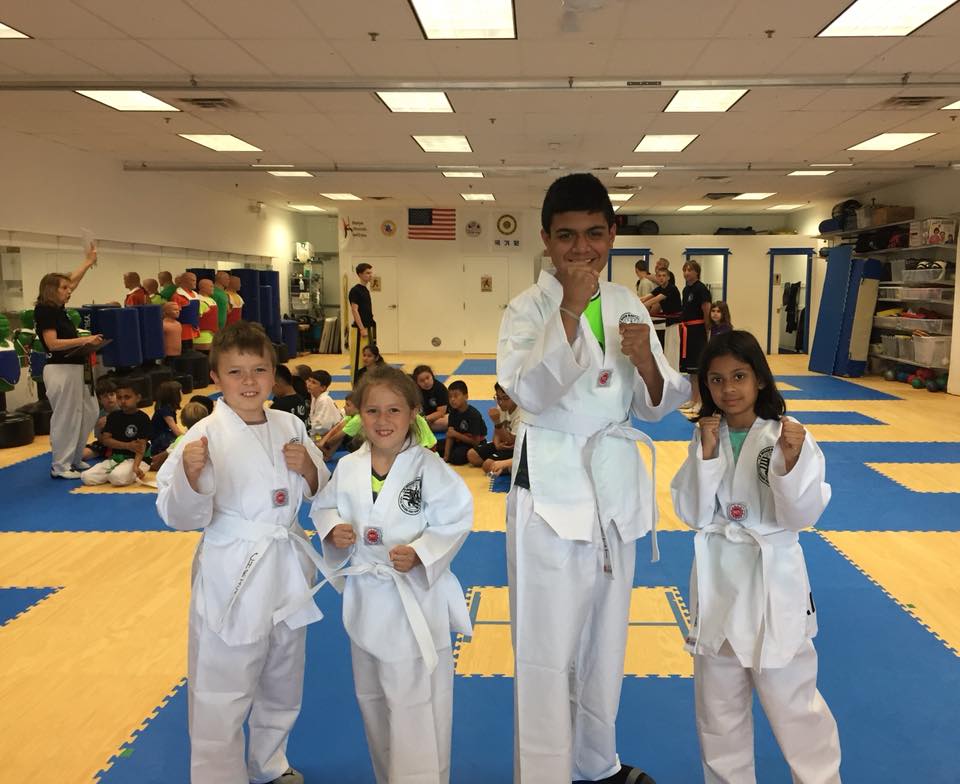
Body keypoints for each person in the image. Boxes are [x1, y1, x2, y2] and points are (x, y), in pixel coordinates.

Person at [497, 172, 689, 784]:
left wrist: (645, 364)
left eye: (594, 234)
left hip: (613, 490)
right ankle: (546, 773)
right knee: (547, 649)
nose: (582, 249)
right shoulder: (526, 309)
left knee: (606, 642)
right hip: (550, 487)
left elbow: (659, 402)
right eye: (567, 236)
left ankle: (597, 761)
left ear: (613, 234)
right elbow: (524, 389)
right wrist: (572, 311)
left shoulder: (632, 305)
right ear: (547, 241)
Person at [156, 321, 330, 784]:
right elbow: (177, 514)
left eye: (259, 370)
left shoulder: (290, 424)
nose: (249, 382)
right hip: (232, 568)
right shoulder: (203, 436)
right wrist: (189, 479)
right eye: (236, 372)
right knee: (222, 684)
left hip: (287, 567)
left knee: (283, 676)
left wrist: (310, 470)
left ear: (275, 375)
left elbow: (319, 492)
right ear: (215, 378)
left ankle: (270, 764)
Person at [669, 330, 842, 784]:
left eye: (740, 376)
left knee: (796, 708)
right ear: (705, 387)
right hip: (719, 584)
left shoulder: (787, 435)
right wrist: (706, 456)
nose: (729, 389)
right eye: (717, 379)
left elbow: (802, 514)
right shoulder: (708, 436)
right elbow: (691, 512)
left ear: (761, 380)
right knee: (718, 713)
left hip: (773, 583)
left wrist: (790, 461)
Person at [310, 365, 473, 784]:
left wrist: (421, 553)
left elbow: (456, 518)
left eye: (394, 411)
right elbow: (324, 507)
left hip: (414, 598)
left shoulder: (429, 469)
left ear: (414, 414)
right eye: (373, 411)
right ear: (357, 416)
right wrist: (333, 530)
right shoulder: (348, 468)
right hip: (367, 597)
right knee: (374, 700)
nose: (383, 421)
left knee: (415, 702)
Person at [34, 248, 104, 479]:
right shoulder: (45, 310)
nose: (69, 290)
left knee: (90, 411)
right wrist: (85, 339)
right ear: (51, 290)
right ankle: (60, 465)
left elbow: (71, 281)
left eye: (68, 287)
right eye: (63, 288)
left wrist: (87, 262)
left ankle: (74, 458)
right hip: (60, 369)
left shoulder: (58, 310)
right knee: (67, 415)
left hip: (77, 368)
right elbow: (52, 343)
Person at [80, 379, 151, 486]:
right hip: (116, 458)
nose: (123, 401)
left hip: (137, 460)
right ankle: (115, 472)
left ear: (138, 398)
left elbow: (140, 448)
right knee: (86, 477)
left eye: (127, 397)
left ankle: (121, 473)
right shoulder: (114, 416)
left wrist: (136, 466)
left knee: (116, 478)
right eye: (119, 397)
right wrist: (128, 445)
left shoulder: (142, 418)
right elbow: (106, 440)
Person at [679, 261, 712, 414]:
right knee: (691, 369)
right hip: (688, 330)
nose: (686, 273)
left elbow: (706, 308)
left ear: (697, 272)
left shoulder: (701, 288)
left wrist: (707, 327)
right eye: (684, 270)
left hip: (698, 329)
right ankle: (693, 398)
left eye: (689, 270)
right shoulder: (686, 289)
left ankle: (701, 401)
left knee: (699, 369)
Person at [466, 383, 518, 473]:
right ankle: (504, 464)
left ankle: (513, 467)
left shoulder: (521, 413)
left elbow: (512, 441)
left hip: (514, 447)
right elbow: (497, 432)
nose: (500, 402)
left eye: (505, 398)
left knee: (487, 466)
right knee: (472, 455)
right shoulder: (501, 405)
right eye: (498, 397)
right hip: (503, 443)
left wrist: (496, 422)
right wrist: (497, 444)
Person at [643, 268, 682, 371]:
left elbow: (653, 300)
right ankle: (669, 373)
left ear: (668, 277)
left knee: (673, 352)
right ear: (656, 277)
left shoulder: (671, 288)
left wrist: (638, 306)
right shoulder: (660, 288)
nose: (661, 278)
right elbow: (645, 298)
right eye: (659, 276)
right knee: (668, 352)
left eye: (664, 275)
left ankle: (674, 375)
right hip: (669, 324)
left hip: (676, 324)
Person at [443, 380, 487, 465]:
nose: (452, 399)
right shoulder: (452, 412)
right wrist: (446, 456)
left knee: (456, 458)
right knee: (436, 446)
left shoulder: (474, 415)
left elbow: (476, 442)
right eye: (450, 397)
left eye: (456, 396)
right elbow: (450, 435)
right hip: (459, 441)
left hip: (474, 443)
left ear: (466, 396)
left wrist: (455, 434)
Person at [349, 263, 376, 384]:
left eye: (371, 272)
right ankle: (356, 383)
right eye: (367, 273)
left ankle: (368, 381)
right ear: (360, 274)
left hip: (369, 327)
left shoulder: (365, 290)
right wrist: (361, 328)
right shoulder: (355, 291)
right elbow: (354, 310)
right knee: (359, 358)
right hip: (360, 330)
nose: (370, 275)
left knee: (370, 357)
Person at [82, 377, 119, 462]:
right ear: (100, 399)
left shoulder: (124, 410)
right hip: (105, 444)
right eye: (105, 396)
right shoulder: (98, 415)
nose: (110, 398)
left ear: (116, 395)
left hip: (123, 443)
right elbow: (99, 437)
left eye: (112, 394)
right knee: (83, 455)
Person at [151, 379, 184, 456]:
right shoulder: (165, 411)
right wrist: (187, 438)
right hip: (159, 441)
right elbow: (175, 430)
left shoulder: (169, 409)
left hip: (163, 437)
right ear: (174, 395)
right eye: (180, 391)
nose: (182, 393)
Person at [413, 365, 449, 433]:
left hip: (442, 416)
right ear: (417, 383)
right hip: (426, 416)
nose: (426, 382)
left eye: (428, 378)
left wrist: (424, 419)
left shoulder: (440, 388)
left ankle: (421, 428)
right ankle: (422, 427)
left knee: (446, 422)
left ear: (432, 376)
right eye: (422, 381)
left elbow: (441, 413)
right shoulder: (416, 390)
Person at [306, 370, 342, 436]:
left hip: (332, 436)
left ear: (322, 388)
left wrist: (306, 430)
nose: (309, 384)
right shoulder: (315, 397)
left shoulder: (324, 400)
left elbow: (322, 426)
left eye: (314, 382)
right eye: (309, 380)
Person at [172, 272, 200, 351]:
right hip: (183, 331)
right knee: (185, 351)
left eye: (195, 280)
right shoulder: (177, 296)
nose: (195, 283)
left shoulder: (195, 295)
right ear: (184, 281)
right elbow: (174, 315)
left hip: (194, 329)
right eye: (193, 280)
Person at [195, 277, 219, 353]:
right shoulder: (199, 301)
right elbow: (195, 320)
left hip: (212, 337)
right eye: (211, 286)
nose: (213, 288)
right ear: (203, 287)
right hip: (201, 339)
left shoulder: (211, 300)